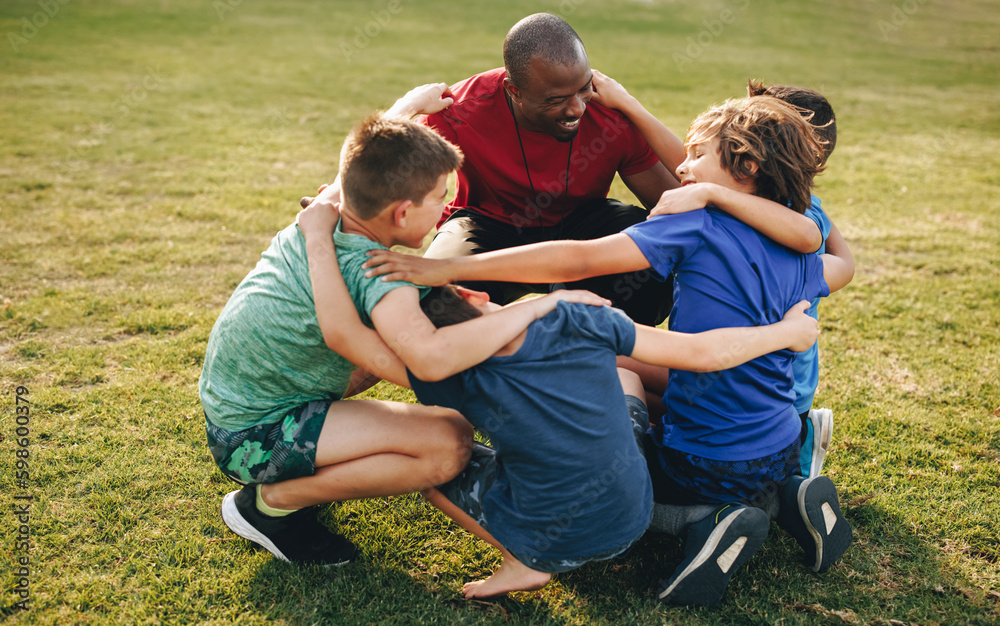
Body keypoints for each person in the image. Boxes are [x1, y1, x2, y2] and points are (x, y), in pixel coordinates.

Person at [363, 95, 855, 606]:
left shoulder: (697, 224)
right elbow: (836, 266)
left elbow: (578, 258)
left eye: (697, 155)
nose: (681, 166)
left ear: (746, 166)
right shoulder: (802, 247)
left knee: (616, 459)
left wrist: (448, 269)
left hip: (703, 459)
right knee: (647, 380)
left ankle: (705, 521)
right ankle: (788, 493)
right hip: (777, 443)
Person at [200, 89, 609, 568]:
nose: (449, 206)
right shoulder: (370, 269)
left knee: (418, 336)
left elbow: (356, 162)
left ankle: (313, 460)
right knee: (446, 445)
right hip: (252, 438)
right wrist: (500, 379)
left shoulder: (333, 206)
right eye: (441, 197)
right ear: (401, 213)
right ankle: (270, 506)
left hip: (240, 404)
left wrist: (406, 107)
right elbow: (406, 353)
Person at [409, 284, 818, 598]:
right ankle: (763, 493)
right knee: (627, 377)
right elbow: (703, 352)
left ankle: (522, 561)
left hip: (556, 544)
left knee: (433, 471)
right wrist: (786, 332)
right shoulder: (577, 316)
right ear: (472, 293)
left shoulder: (443, 374)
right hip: (631, 514)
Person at [588, 73, 851, 479]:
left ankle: (786, 456)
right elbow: (695, 166)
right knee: (622, 364)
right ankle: (795, 444)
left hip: (753, 386)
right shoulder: (786, 200)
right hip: (766, 389)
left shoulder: (796, 216)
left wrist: (713, 193)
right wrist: (628, 104)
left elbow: (808, 235)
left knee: (619, 370)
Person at [414, 12, 687, 326]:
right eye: (556, 99)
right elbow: (382, 181)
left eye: (583, 89)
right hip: (489, 226)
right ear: (514, 91)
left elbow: (679, 204)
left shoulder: (611, 113)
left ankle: (599, 351)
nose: (576, 109)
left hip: (581, 228)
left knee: (651, 255)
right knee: (434, 298)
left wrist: (634, 109)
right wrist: (408, 109)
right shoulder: (460, 109)